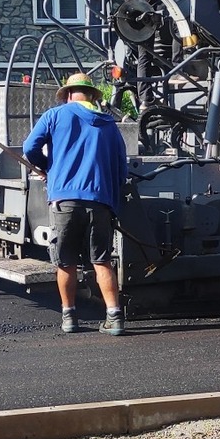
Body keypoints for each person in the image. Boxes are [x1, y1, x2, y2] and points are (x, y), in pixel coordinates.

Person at [22, 72, 130, 335]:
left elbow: (29, 148)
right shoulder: (109, 125)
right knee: (102, 261)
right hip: (100, 201)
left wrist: (51, 167)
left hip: (65, 201)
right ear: (92, 96)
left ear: (68, 95)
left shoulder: (54, 116)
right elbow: (121, 169)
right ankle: (114, 318)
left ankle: (69, 317)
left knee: (66, 261)